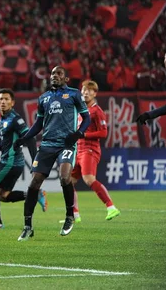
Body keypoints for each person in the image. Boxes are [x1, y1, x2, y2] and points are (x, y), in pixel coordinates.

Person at [14, 66, 91, 241]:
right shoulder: (44, 98)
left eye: (59, 74)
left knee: (65, 177)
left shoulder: (74, 94)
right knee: (34, 183)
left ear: (66, 79)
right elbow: (38, 124)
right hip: (47, 144)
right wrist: (23, 138)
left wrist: (78, 133)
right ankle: (27, 226)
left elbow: (87, 118)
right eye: (53, 74)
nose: (55, 76)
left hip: (66, 144)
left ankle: (69, 216)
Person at [0, 88, 47, 230]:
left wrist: (34, 161)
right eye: (1, 99)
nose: (3, 102)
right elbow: (3, 144)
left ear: (12, 103)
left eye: (6, 99)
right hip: (13, 162)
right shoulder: (3, 119)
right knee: (3, 195)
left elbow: (30, 137)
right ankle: (35, 194)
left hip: (10, 162)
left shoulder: (15, 119)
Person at [67, 80, 120, 223]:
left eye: (89, 90)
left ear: (95, 93)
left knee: (89, 179)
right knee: (68, 181)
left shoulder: (97, 111)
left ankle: (111, 207)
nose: (85, 92)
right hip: (78, 150)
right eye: (83, 90)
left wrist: (84, 135)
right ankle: (75, 214)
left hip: (90, 149)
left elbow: (103, 133)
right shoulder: (81, 110)